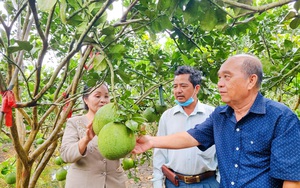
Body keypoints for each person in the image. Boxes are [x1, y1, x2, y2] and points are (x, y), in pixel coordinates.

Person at [133, 54, 300, 188]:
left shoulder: (281, 118)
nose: (219, 84)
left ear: (251, 80)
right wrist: (151, 141)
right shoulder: (220, 115)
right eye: (219, 78)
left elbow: (291, 179)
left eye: (227, 77)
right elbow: (192, 136)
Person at [152, 65, 219, 188]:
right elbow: (159, 152)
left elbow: (222, 151)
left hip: (207, 182)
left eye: (183, 86)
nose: (178, 91)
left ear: (196, 88)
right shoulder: (167, 116)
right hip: (175, 183)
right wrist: (157, 182)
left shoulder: (212, 115)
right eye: (175, 86)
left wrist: (219, 181)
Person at [60, 83, 127, 188]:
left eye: (106, 96)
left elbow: (124, 150)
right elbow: (66, 155)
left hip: (114, 183)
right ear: (85, 99)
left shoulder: (117, 123)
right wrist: (86, 139)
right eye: (97, 96)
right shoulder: (75, 122)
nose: (103, 100)